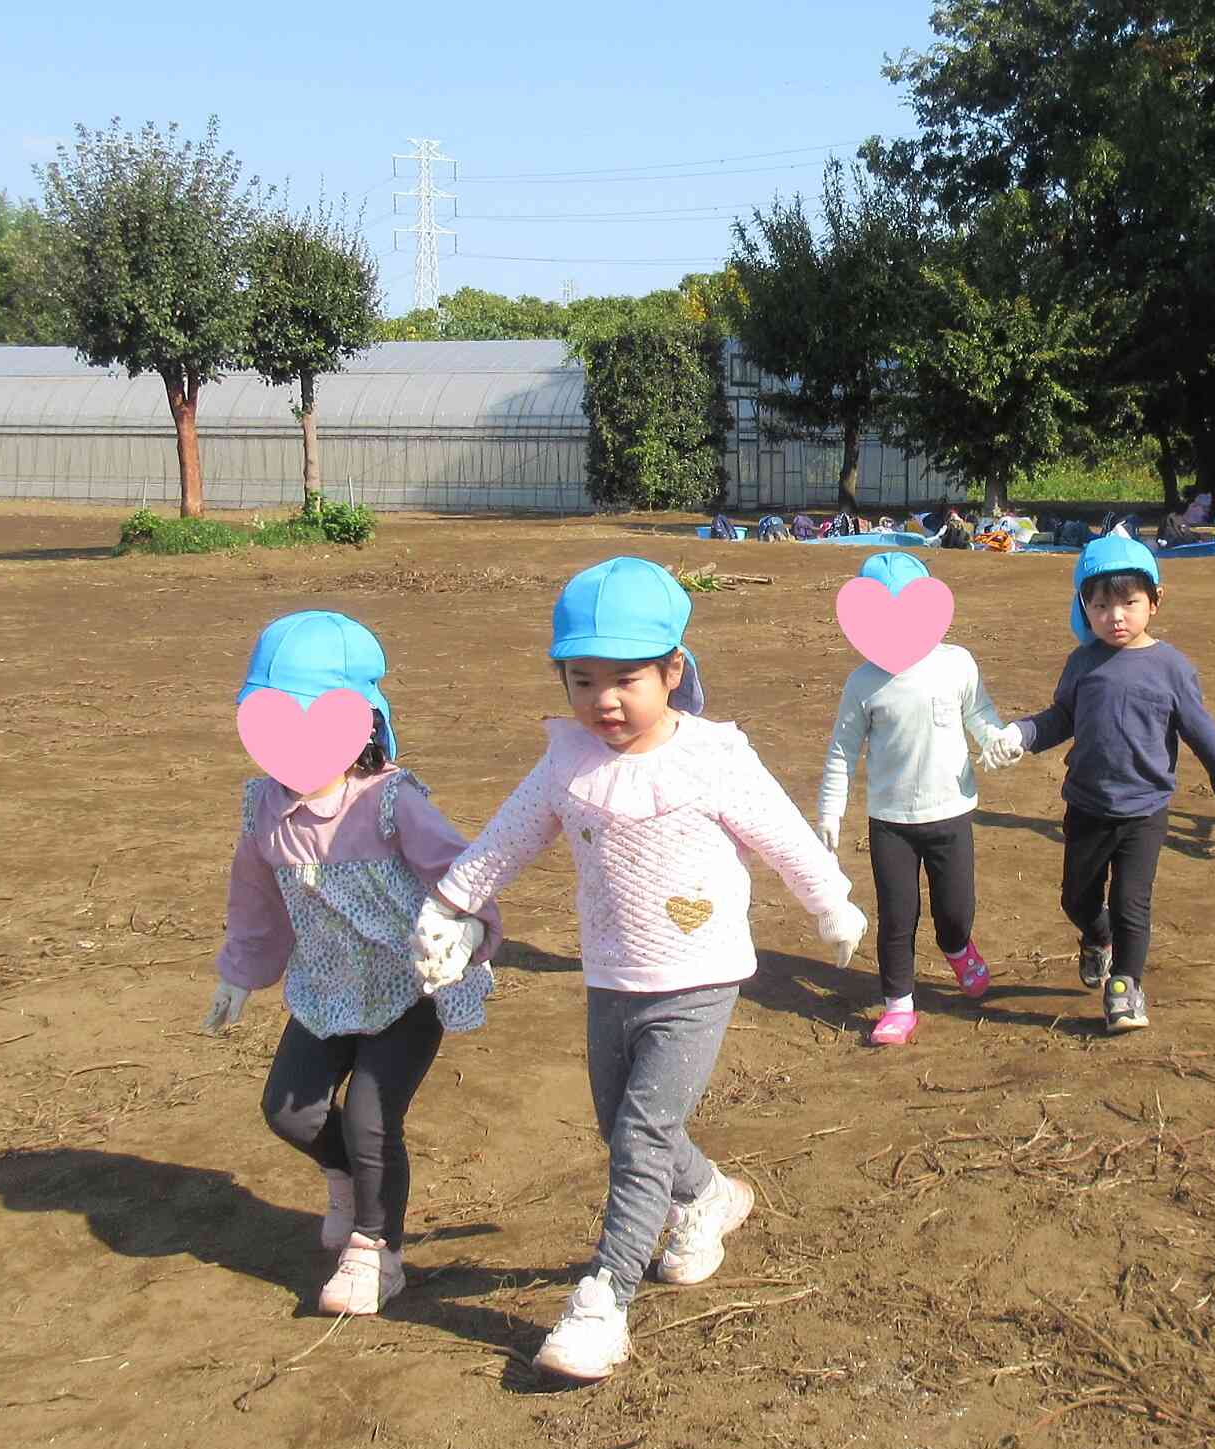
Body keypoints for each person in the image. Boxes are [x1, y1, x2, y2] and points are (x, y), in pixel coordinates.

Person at [411, 559, 864, 1385]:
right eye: (583, 681)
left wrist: (830, 902)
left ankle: (604, 1299)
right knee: (620, 1127)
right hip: (611, 971)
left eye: (626, 680)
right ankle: (710, 1196)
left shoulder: (713, 759)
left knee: (641, 1139)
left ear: (673, 672)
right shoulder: (567, 763)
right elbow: (507, 838)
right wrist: (450, 904)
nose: (604, 701)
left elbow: (784, 834)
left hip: (700, 975)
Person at [206, 612, 497, 1317]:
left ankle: (376, 1251)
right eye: (271, 720)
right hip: (325, 990)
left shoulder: (392, 804)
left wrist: (464, 931)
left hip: (405, 988)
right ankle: (345, 1178)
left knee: (371, 1118)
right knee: (289, 1111)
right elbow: (254, 895)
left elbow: (465, 872)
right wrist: (240, 973)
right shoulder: (262, 809)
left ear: (365, 723)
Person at [992, 534, 1215, 1036]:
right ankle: (1096, 937)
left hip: (1144, 810)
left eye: (1130, 602)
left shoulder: (1172, 668)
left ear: (1155, 601)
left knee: (1133, 902)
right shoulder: (1082, 664)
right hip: (1088, 805)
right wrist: (1021, 734)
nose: (1116, 616)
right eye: (1102, 605)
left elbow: (1203, 733)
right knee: (1077, 899)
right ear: (1084, 608)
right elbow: (1062, 717)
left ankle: (1124, 987)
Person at [816, 552, 1017, 1046]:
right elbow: (842, 750)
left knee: (955, 910)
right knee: (897, 916)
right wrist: (829, 808)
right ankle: (898, 1004)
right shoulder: (863, 683)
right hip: (890, 822)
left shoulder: (956, 664)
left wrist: (996, 740)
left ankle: (956, 947)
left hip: (951, 812)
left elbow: (980, 713)